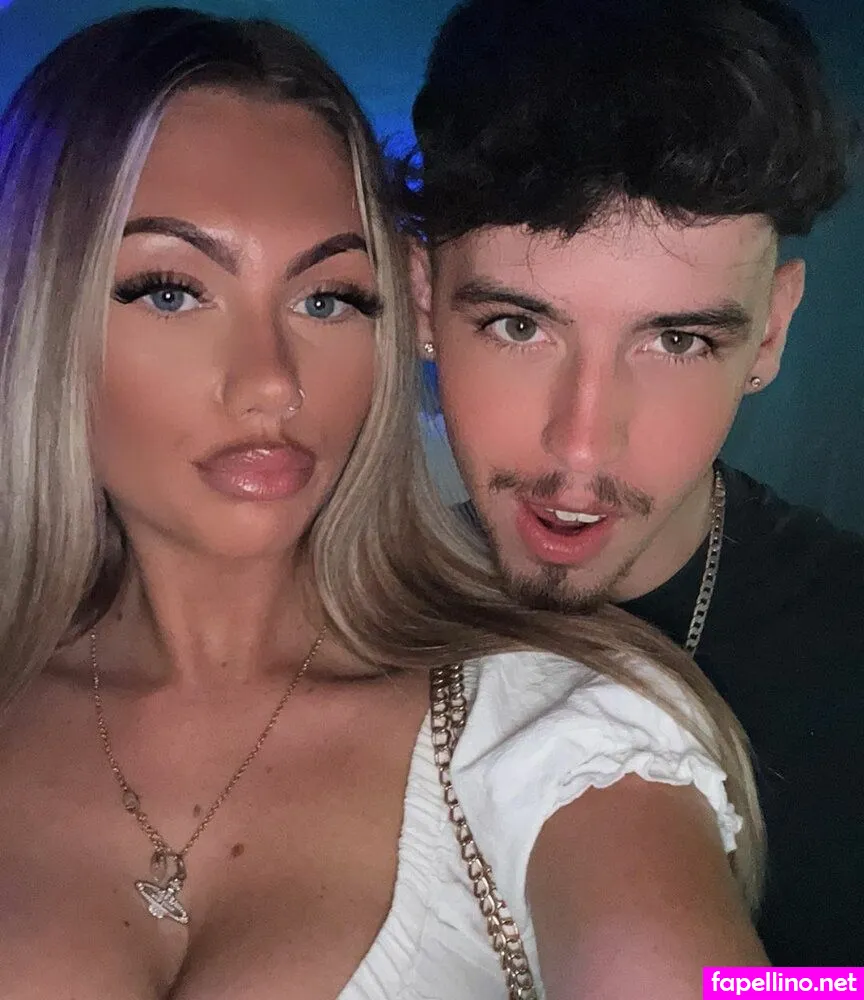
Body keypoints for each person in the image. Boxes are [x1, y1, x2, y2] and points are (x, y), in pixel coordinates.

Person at [0, 7, 772, 998]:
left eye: (326, 299)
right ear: (39, 307)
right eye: (171, 291)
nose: (272, 383)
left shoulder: (559, 734)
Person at [407, 0, 864, 966]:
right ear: (422, 303)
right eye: (519, 326)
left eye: (677, 340)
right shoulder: (339, 618)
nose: (582, 447)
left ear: (771, 333)